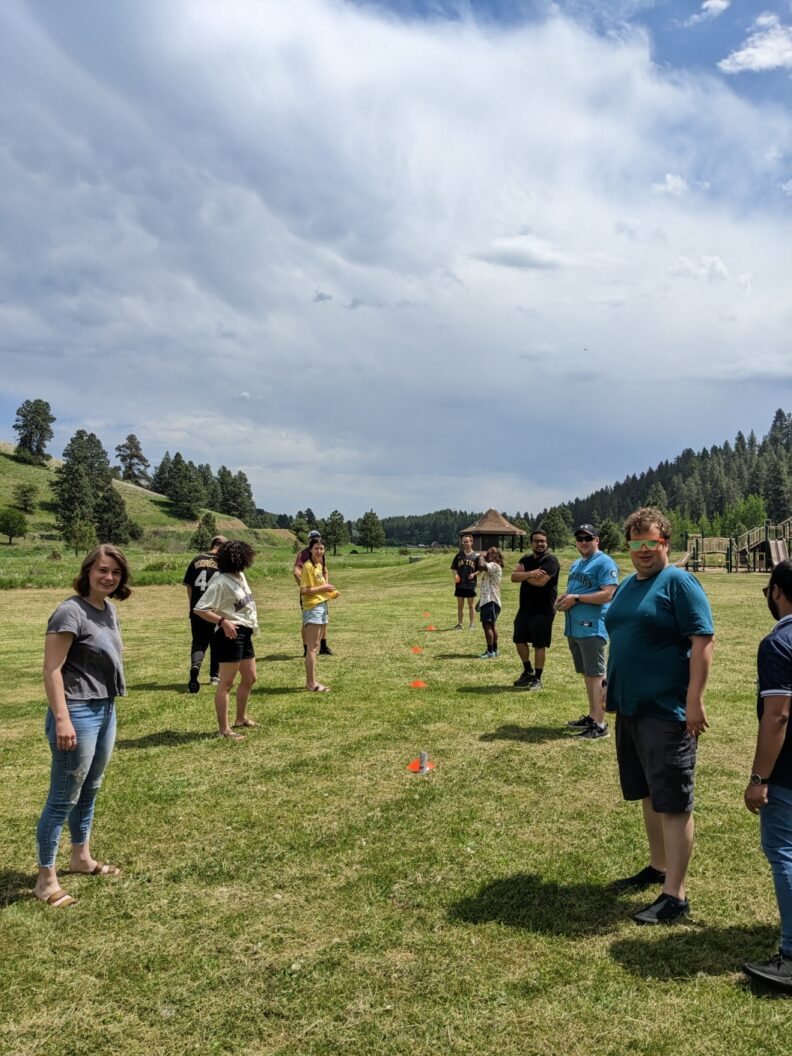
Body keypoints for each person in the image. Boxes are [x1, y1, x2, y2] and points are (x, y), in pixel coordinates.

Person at [605, 507, 714, 925]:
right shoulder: (628, 584)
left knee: (672, 801)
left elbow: (703, 640)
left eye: (652, 542)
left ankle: (675, 895)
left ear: (665, 543)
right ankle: (658, 866)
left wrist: (694, 699)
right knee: (649, 793)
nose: (644, 550)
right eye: (636, 543)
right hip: (630, 707)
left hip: (667, 711)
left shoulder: (679, 582)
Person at [34, 545, 131, 908]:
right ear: (88, 571)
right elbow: (52, 669)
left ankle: (81, 858)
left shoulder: (108, 610)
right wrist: (62, 718)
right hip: (76, 711)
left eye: (116, 572)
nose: (109, 577)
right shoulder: (70, 612)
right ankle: (45, 880)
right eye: (102, 570)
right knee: (63, 797)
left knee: (89, 788)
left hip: (105, 708)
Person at [742, 560, 792, 990]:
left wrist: (759, 779)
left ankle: (791, 956)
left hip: (788, 772)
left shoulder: (778, 643)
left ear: (776, 591)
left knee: (784, 851)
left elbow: (777, 716)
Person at [556, 523, 619, 739]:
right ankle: (592, 716)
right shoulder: (577, 564)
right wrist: (565, 598)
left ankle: (600, 725)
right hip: (575, 628)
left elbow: (609, 594)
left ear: (597, 540)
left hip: (592, 628)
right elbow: (575, 591)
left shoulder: (604, 562)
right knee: (587, 674)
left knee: (596, 675)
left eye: (588, 538)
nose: (583, 542)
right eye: (579, 538)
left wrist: (576, 598)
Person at [193, 540, 259, 741]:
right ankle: (224, 729)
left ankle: (240, 718)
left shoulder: (240, 576)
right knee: (226, 683)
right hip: (229, 635)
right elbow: (200, 609)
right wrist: (223, 621)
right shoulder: (220, 582)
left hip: (245, 632)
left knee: (250, 677)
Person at [510, 529, 561, 689]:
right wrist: (531, 573)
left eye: (543, 541)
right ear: (531, 543)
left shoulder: (551, 561)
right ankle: (528, 671)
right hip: (525, 608)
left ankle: (538, 679)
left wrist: (524, 575)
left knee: (539, 644)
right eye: (537, 541)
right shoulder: (525, 559)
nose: (540, 544)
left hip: (543, 610)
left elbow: (540, 582)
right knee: (519, 639)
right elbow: (513, 577)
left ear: (547, 543)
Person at [183, 534, 228, 693]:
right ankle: (214, 676)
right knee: (217, 642)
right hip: (215, 610)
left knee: (199, 642)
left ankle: (196, 666)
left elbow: (189, 586)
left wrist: (193, 605)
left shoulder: (196, 560)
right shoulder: (223, 562)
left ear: (212, 544)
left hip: (197, 609)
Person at [300, 537, 340, 692]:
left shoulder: (318, 566)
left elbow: (320, 589)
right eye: (316, 548)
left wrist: (331, 594)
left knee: (316, 646)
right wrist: (324, 588)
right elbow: (304, 590)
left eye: (321, 548)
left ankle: (312, 681)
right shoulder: (308, 566)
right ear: (310, 549)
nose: (319, 551)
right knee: (312, 647)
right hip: (313, 608)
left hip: (321, 606)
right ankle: (311, 683)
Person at [293, 530, 333, 656]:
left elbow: (325, 569)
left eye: (318, 537)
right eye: (313, 538)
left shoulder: (320, 552)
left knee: (323, 619)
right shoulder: (304, 554)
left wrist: (325, 585)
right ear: (309, 540)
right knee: (308, 622)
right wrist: (305, 586)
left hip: (321, 594)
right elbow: (296, 572)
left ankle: (323, 646)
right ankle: (307, 649)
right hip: (311, 595)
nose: (319, 550)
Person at [477, 547, 504, 658]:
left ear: (495, 556)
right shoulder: (494, 567)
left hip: (490, 601)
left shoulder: (494, 565)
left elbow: (481, 566)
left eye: (489, 554)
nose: (487, 556)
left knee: (487, 625)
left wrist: (481, 556)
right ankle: (495, 650)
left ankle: (490, 651)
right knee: (492, 626)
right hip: (490, 600)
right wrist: (480, 601)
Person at [451, 534, 479, 629]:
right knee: (460, 606)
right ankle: (460, 624)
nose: (465, 543)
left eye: (467, 542)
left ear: (471, 542)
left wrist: (474, 574)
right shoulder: (459, 555)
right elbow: (454, 568)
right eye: (464, 542)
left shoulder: (476, 556)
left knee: (471, 605)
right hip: (460, 584)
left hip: (470, 584)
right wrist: (456, 575)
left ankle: (472, 624)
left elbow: (480, 570)